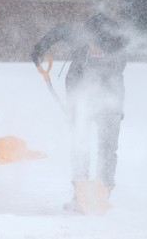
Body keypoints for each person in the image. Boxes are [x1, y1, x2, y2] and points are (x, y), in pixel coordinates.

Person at [31, 13, 128, 211]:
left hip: (109, 99)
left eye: (99, 46)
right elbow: (59, 30)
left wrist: (114, 109)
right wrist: (40, 47)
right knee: (80, 144)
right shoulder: (81, 36)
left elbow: (109, 85)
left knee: (107, 147)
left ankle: (103, 191)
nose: (94, 48)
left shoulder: (117, 53)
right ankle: (80, 192)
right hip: (79, 93)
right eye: (91, 43)